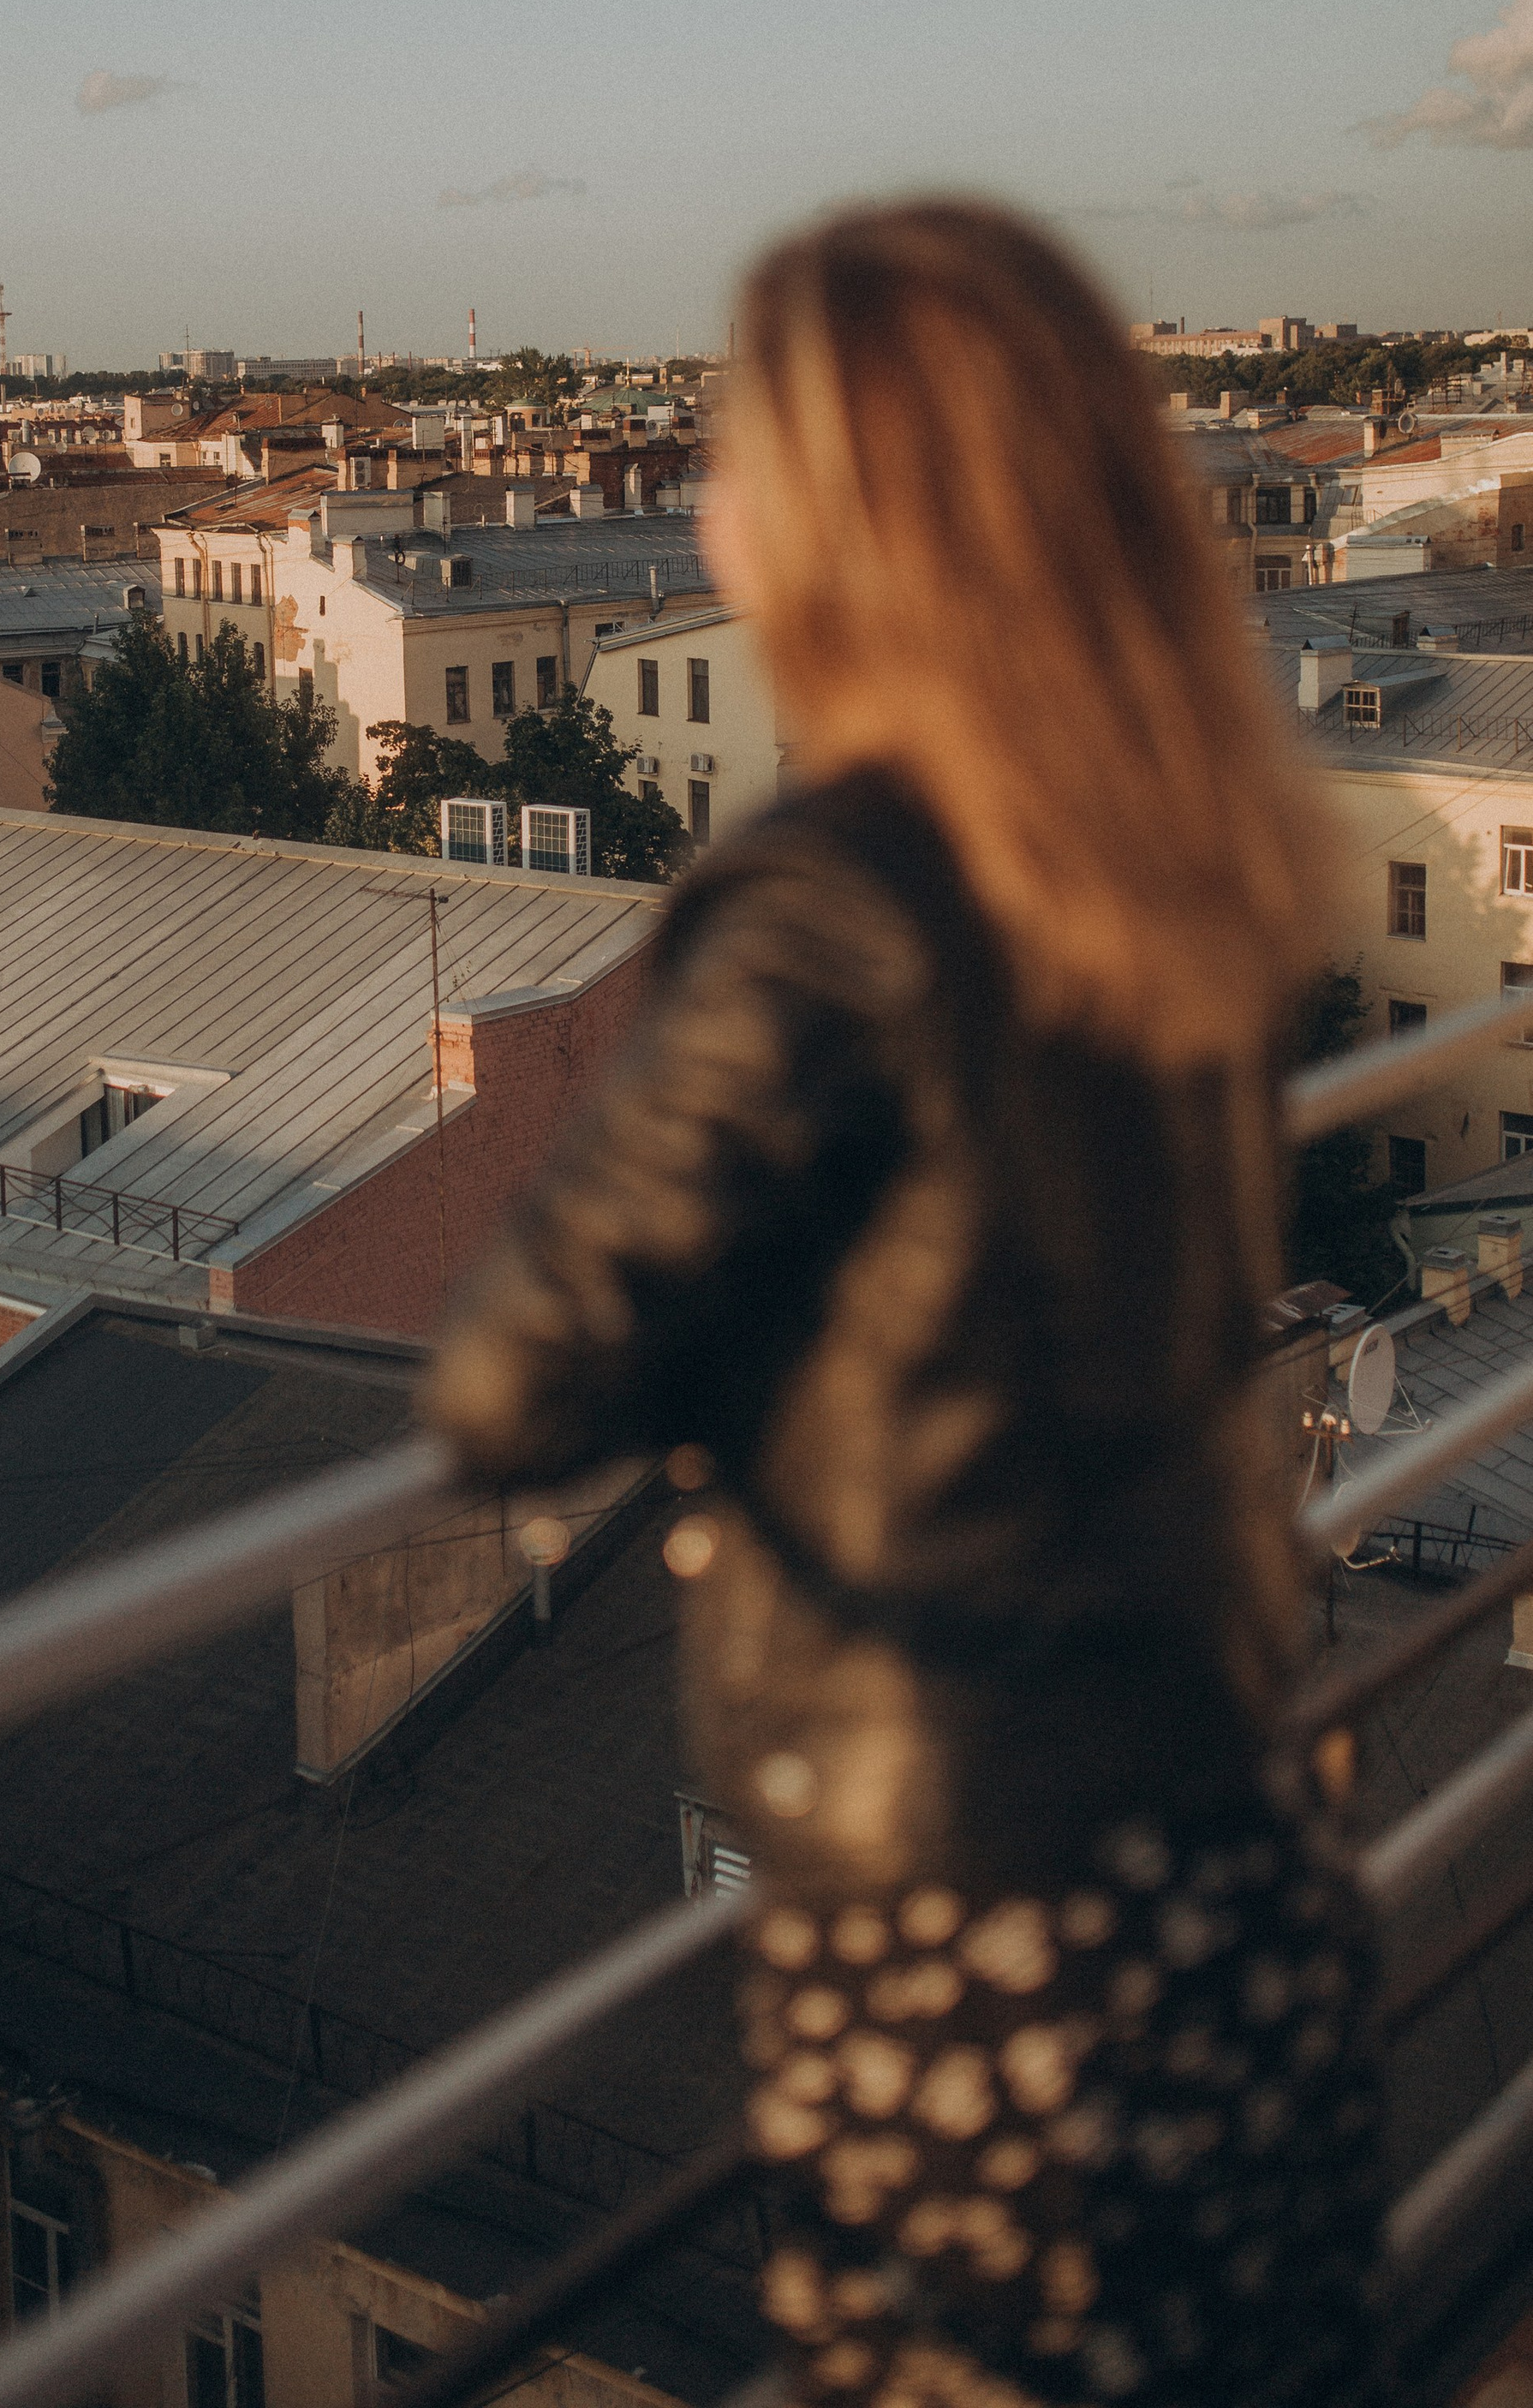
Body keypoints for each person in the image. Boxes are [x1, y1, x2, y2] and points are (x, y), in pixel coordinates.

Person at [421, 200, 1381, 2408]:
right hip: (1226, 1832)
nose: (701, 491)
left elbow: (513, 1383)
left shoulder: (833, 895)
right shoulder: (1176, 848)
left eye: (738, 443)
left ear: (854, 515)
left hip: (967, 1909)